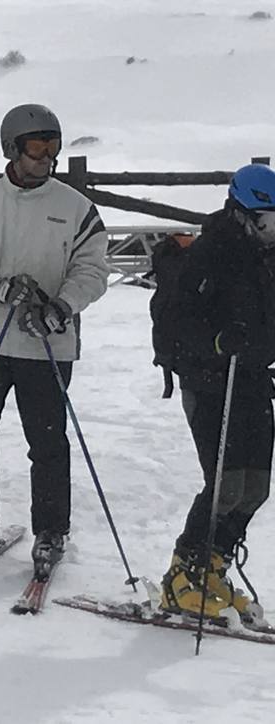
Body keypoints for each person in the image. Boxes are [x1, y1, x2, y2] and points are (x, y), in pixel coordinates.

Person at [0, 103, 109, 576]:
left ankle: (51, 529)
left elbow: (93, 270)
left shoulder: (75, 208)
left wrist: (62, 306)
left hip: (47, 344)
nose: (46, 158)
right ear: (12, 150)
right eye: (36, 148)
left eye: (53, 148)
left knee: (48, 442)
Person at [158, 163, 275, 618]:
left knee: (255, 487)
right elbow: (176, 323)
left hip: (251, 378)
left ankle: (213, 567)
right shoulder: (211, 253)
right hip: (210, 380)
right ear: (244, 213)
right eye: (267, 221)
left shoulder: (267, 256)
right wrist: (219, 340)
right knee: (225, 482)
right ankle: (181, 574)